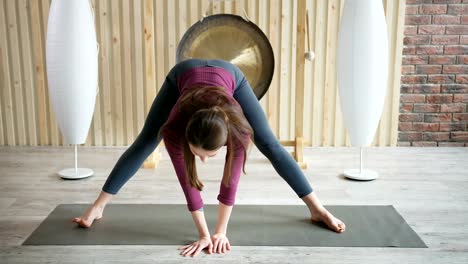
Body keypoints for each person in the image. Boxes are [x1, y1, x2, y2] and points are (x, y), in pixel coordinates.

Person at [72, 59, 346, 257]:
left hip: (230, 77)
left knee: (270, 144)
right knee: (146, 140)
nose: (203, 162)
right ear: (186, 137)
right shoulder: (174, 128)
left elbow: (231, 184)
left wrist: (221, 232)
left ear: (225, 142)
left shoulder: (237, 131)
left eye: (210, 155)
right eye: (197, 154)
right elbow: (187, 185)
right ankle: (98, 206)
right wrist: (204, 233)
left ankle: (316, 208)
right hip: (183, 75)